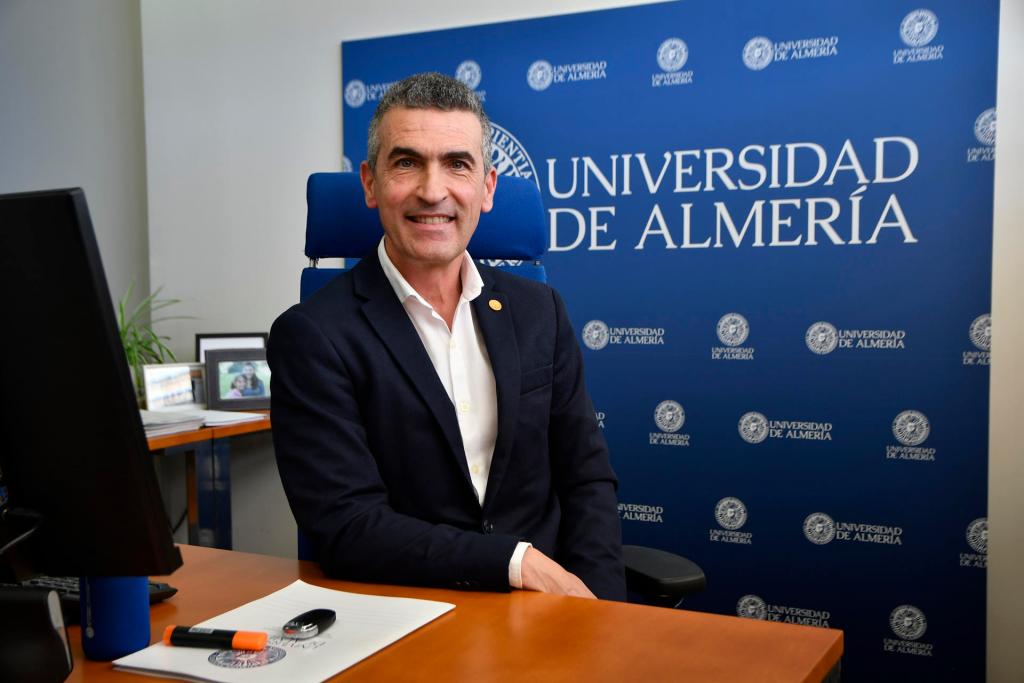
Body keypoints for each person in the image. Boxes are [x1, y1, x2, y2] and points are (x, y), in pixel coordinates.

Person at [268, 72, 625, 600]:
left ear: (487, 188)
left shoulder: (539, 311)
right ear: (370, 183)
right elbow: (348, 525)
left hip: (551, 616)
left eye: (457, 164)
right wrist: (514, 561)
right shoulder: (313, 335)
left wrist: (601, 613)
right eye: (407, 162)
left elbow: (586, 479)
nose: (432, 191)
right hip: (405, 616)